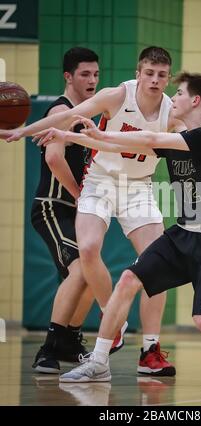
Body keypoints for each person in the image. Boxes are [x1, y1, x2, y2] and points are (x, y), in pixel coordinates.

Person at [35, 71, 201, 383]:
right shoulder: (175, 140)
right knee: (127, 280)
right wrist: (76, 137)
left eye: (178, 93)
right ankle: (98, 362)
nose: (172, 98)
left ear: (195, 100)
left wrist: (91, 135)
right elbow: (131, 144)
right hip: (184, 232)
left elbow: (149, 138)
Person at [1, 47, 183, 376]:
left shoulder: (172, 111)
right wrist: (22, 131)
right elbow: (66, 116)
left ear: (168, 78)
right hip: (99, 180)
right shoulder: (116, 96)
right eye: (149, 73)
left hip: (138, 186)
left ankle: (150, 351)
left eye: (161, 75)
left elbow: (197, 134)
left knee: (160, 266)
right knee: (87, 248)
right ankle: (112, 321)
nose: (155, 80)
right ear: (138, 73)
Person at [30, 47, 123, 374]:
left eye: (96, 74)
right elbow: (54, 158)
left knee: (88, 269)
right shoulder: (62, 109)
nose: (92, 80)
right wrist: (80, 194)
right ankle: (50, 347)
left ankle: (69, 340)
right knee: (84, 269)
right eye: (85, 74)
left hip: (75, 210)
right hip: (53, 207)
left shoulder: (88, 114)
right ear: (68, 76)